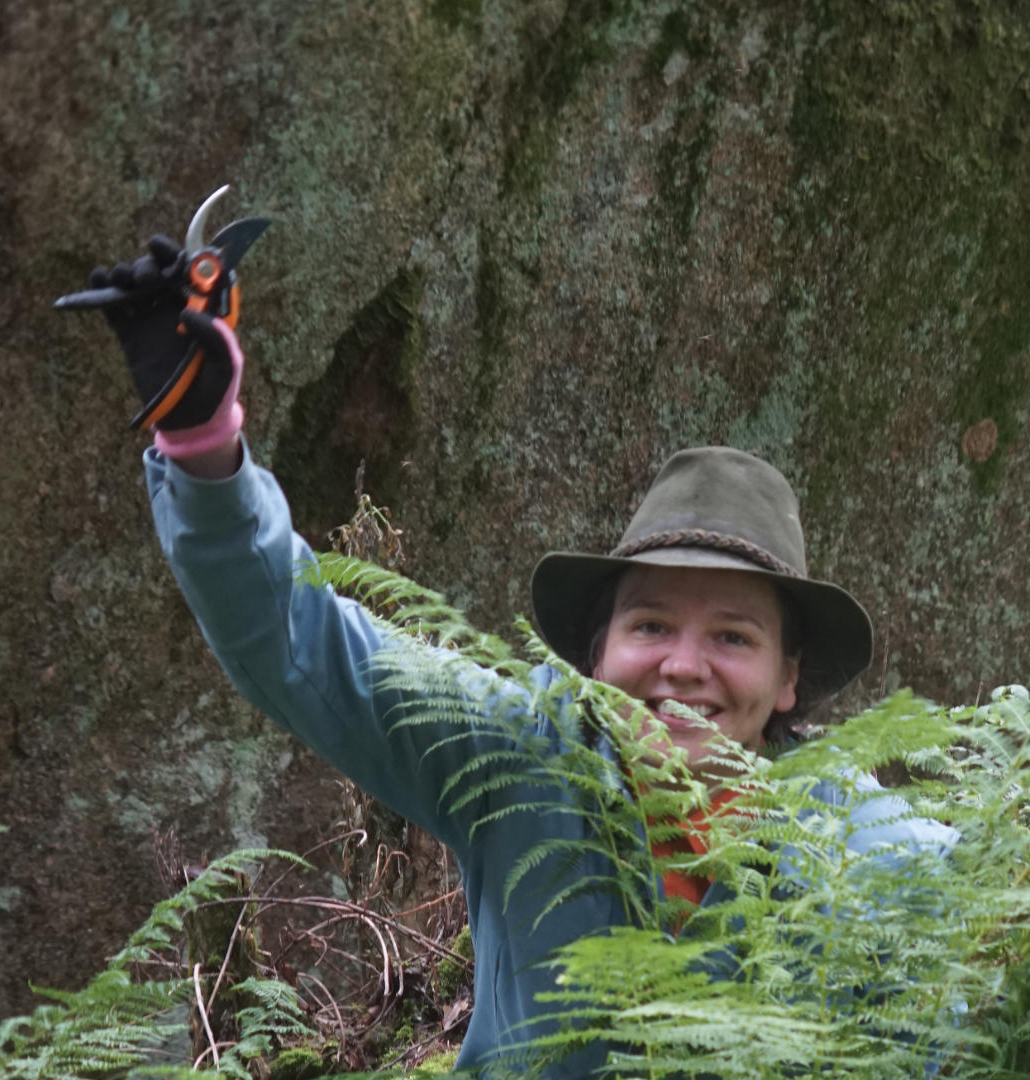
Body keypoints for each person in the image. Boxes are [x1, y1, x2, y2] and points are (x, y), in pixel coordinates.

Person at [82, 236, 955, 1078]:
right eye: (651, 626)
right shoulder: (521, 758)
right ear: (596, 652)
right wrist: (202, 442)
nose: (685, 667)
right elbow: (293, 636)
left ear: (789, 678)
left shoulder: (873, 848)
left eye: (733, 636)